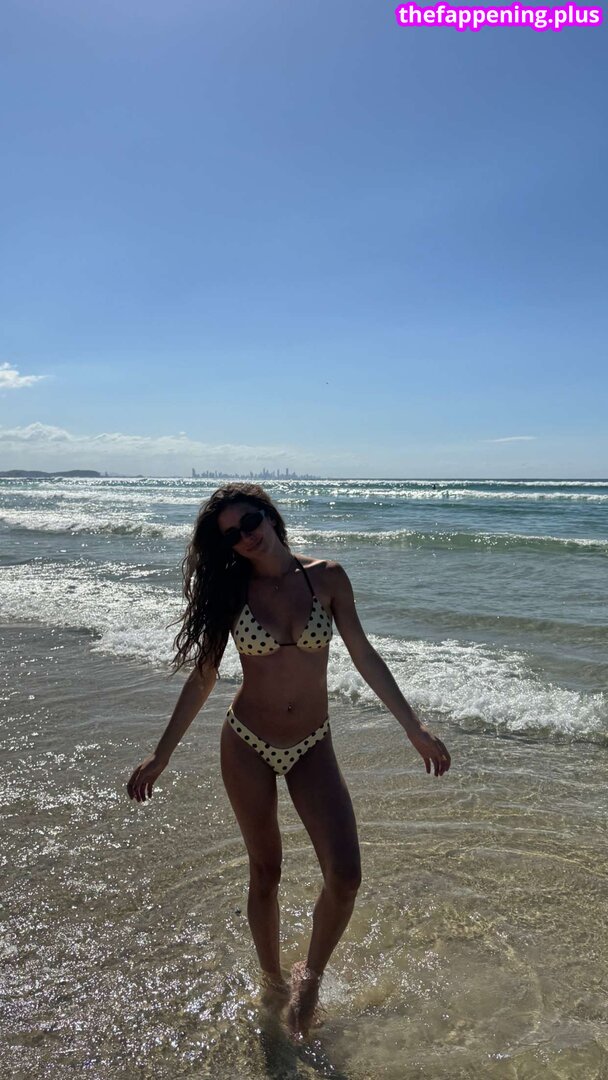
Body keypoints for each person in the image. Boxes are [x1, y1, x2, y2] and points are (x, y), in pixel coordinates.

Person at [127, 484, 450, 1039]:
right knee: (266, 871)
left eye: (250, 521)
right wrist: (163, 753)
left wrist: (413, 726)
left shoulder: (327, 578)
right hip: (246, 742)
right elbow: (204, 677)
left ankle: (311, 980)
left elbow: (364, 654)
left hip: (312, 743)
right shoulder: (233, 590)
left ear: (270, 516)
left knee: (345, 875)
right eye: (232, 534)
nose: (245, 536)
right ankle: (273, 982)